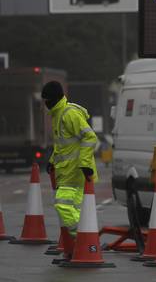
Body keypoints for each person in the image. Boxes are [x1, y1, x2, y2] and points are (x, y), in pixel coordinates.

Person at [42, 81, 98, 250]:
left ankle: (84, 240)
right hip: (68, 172)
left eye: (46, 100)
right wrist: (52, 161)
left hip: (75, 171)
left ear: (53, 99)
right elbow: (63, 145)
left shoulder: (69, 113)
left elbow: (90, 137)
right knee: (76, 209)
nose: (45, 104)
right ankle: (84, 244)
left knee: (63, 205)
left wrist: (85, 163)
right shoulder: (58, 114)